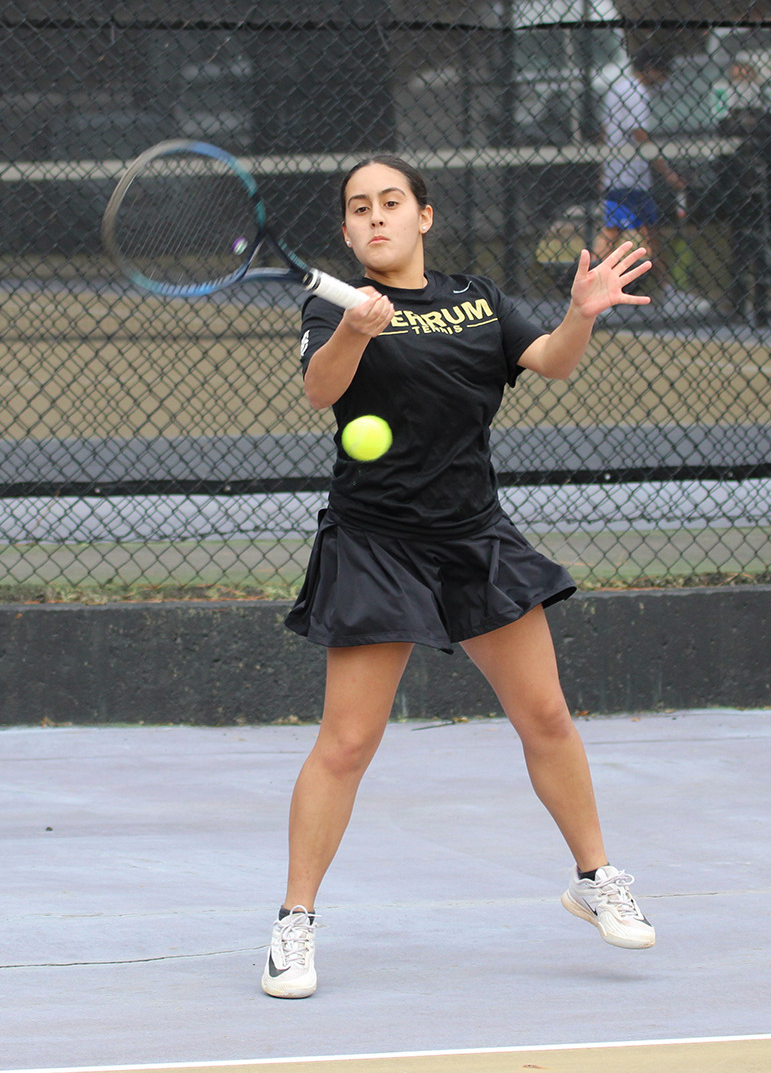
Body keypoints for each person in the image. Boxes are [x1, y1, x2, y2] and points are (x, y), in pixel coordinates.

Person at [266, 156, 658, 1000]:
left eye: (391, 203)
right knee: (347, 744)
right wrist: (355, 330)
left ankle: (595, 879)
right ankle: (294, 924)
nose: (376, 218)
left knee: (546, 715)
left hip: (473, 536)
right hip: (376, 543)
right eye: (360, 209)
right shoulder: (335, 307)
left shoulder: (478, 300)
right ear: (346, 231)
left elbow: (552, 360)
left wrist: (581, 315)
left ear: (424, 216)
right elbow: (319, 391)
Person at [594, 47, 685, 283]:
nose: (663, 80)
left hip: (620, 172)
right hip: (629, 175)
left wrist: (603, 171)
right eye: (662, 73)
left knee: (646, 231)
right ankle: (592, 284)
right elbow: (639, 133)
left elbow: (605, 133)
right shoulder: (636, 92)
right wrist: (667, 173)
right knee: (616, 232)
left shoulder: (617, 89)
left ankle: (665, 287)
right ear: (650, 69)